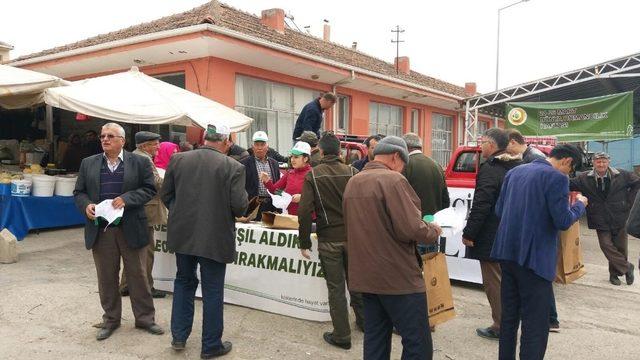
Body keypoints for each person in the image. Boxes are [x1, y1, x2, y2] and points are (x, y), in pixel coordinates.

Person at [344, 136, 442, 360]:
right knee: (418, 341)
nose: (402, 170)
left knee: (376, 339)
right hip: (398, 278)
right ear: (396, 156)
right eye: (403, 165)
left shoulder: (354, 181)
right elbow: (412, 228)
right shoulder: (393, 181)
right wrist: (433, 230)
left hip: (366, 275)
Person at [492, 144, 587, 360]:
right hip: (534, 260)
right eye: (570, 170)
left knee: (508, 319)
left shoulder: (515, 172)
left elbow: (499, 210)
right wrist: (580, 205)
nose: (568, 175)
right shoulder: (556, 178)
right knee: (535, 323)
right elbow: (562, 220)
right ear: (567, 162)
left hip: (507, 253)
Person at [161, 124, 248, 358]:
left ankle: (179, 336)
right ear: (227, 142)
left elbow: (166, 195)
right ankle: (210, 346)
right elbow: (240, 207)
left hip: (184, 235)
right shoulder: (234, 167)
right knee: (212, 291)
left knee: (184, 282)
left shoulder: (179, 160)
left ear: (205, 139)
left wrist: (182, 214)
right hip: (215, 237)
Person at [73, 122, 164, 341]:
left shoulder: (140, 161)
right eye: (103, 136)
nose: (105, 139)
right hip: (102, 230)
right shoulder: (88, 163)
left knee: (138, 276)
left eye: (110, 136)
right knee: (106, 277)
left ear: (122, 141)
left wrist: (126, 199)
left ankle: (145, 319)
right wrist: (86, 205)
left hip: (131, 226)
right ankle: (111, 320)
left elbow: (149, 189)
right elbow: (79, 192)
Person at [298, 133, 364, 350]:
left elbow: (305, 210)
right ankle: (364, 323)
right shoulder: (353, 172)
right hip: (353, 238)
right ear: (339, 152)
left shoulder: (314, 175)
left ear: (323, 152)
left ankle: (342, 335)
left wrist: (304, 242)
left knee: (336, 288)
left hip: (329, 240)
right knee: (357, 284)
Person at [462, 128, 521, 340]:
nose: (481, 146)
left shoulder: (491, 168)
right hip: (512, 232)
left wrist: (470, 232)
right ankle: (509, 320)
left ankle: (501, 325)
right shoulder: (518, 165)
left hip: (492, 234)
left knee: (493, 282)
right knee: (507, 280)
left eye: (483, 141)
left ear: (493, 145)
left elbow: (482, 204)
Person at [505, 128, 560, 331]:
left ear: (513, 142)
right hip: (531, 228)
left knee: (540, 277)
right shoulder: (529, 156)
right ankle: (548, 317)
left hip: (534, 230)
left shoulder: (533, 158)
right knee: (538, 277)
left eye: (507, 146)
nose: (507, 151)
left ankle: (551, 318)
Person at [570, 152, 639, 285]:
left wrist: (630, 201)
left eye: (604, 161)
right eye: (598, 161)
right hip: (599, 217)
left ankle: (614, 275)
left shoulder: (622, 174)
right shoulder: (584, 178)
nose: (601, 164)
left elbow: (637, 183)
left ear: (608, 162)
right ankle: (627, 267)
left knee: (621, 248)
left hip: (620, 215)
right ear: (593, 163)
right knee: (606, 245)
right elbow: (568, 185)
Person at [119, 131, 166, 299]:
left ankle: (125, 286)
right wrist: (168, 179)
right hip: (147, 209)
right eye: (155, 143)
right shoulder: (144, 159)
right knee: (146, 251)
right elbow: (155, 183)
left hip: (135, 208)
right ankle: (146, 287)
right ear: (144, 145)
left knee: (134, 249)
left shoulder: (131, 156)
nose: (158, 147)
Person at [402, 133, 450, 217]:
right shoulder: (436, 165)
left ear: (405, 147)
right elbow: (445, 199)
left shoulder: (404, 165)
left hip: (414, 220)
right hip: (434, 220)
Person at [260, 141, 311, 215]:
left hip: (307, 218)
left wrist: (303, 197)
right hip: (289, 217)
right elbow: (275, 191)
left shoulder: (313, 174)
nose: (292, 160)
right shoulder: (290, 173)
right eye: (291, 156)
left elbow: (320, 196)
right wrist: (267, 181)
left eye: (296, 157)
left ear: (305, 159)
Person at [240, 131, 281, 220]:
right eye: (257, 145)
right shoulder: (244, 164)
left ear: (267, 147)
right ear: (252, 147)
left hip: (271, 205)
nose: (259, 148)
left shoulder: (274, 164)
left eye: (262, 145)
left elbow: (278, 186)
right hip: (253, 205)